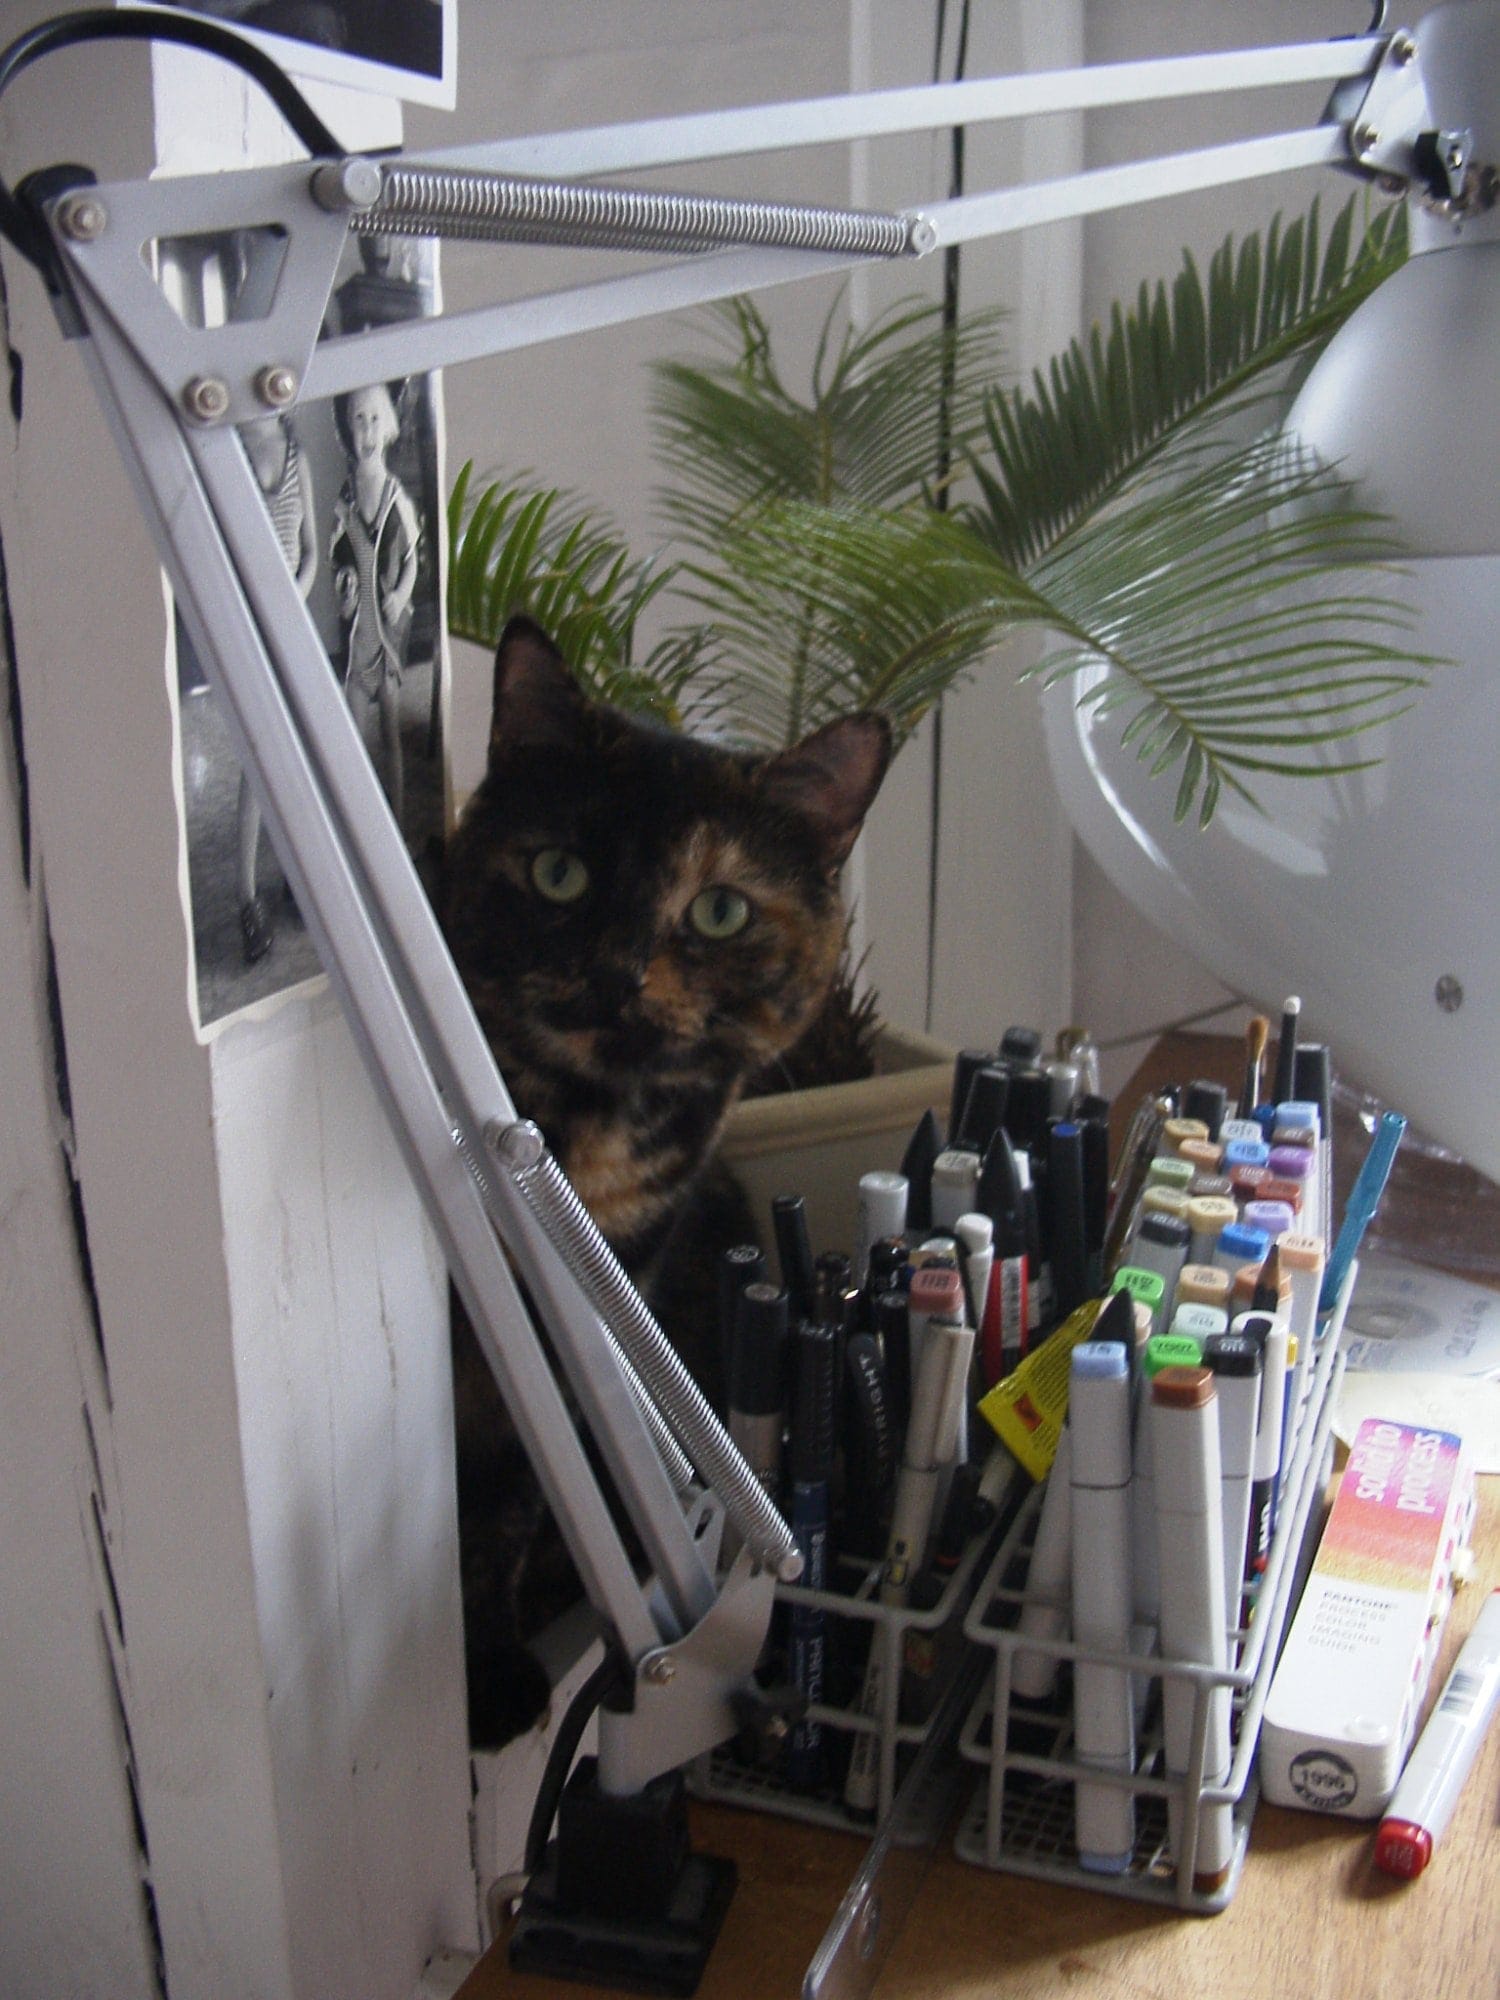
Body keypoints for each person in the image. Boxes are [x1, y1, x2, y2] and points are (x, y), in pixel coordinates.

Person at [237, 411, 316, 962]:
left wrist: (291, 604)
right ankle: (245, 896)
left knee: (294, 755)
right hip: (244, 624)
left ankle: (293, 872)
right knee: (254, 761)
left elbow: (308, 547)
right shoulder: (226, 449)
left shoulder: (297, 455)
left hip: (289, 622)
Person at [330, 381, 420, 827]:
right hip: (357, 639)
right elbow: (338, 563)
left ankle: (398, 824)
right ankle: (359, 826)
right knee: (352, 738)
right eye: (358, 419)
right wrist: (343, 594)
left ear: (387, 428)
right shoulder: (345, 500)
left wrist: (402, 594)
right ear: (350, 428)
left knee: (392, 736)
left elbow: (412, 559)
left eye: (374, 420)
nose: (367, 430)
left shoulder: (395, 497)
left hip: (386, 641)